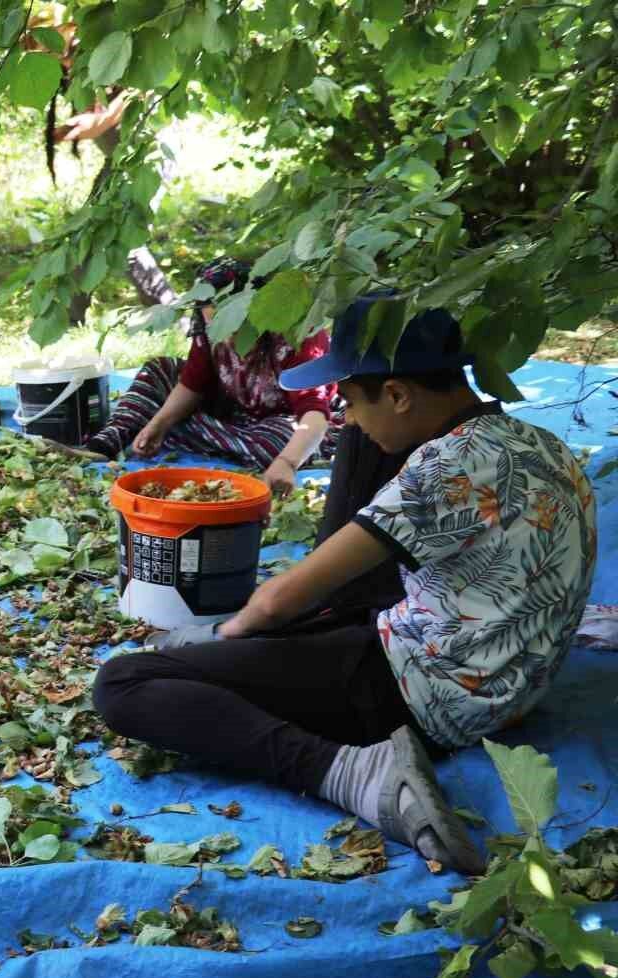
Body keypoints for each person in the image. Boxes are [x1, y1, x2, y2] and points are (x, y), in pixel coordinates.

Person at [93, 295, 598, 874]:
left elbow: (282, 599)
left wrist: (229, 635)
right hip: (507, 679)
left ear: (399, 394)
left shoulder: (442, 470)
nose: (346, 419)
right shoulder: (538, 442)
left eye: (352, 401)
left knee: (126, 682)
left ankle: (353, 774)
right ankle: (280, 654)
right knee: (360, 466)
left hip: (425, 692)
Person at [76, 257, 339, 494]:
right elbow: (193, 383)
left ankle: (181, 432)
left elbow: (314, 413)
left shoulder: (296, 334)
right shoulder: (208, 329)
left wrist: (287, 462)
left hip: (286, 422)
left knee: (273, 444)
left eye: (234, 326)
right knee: (160, 370)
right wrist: (159, 424)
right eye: (216, 325)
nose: (225, 336)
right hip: (234, 411)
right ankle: (103, 446)